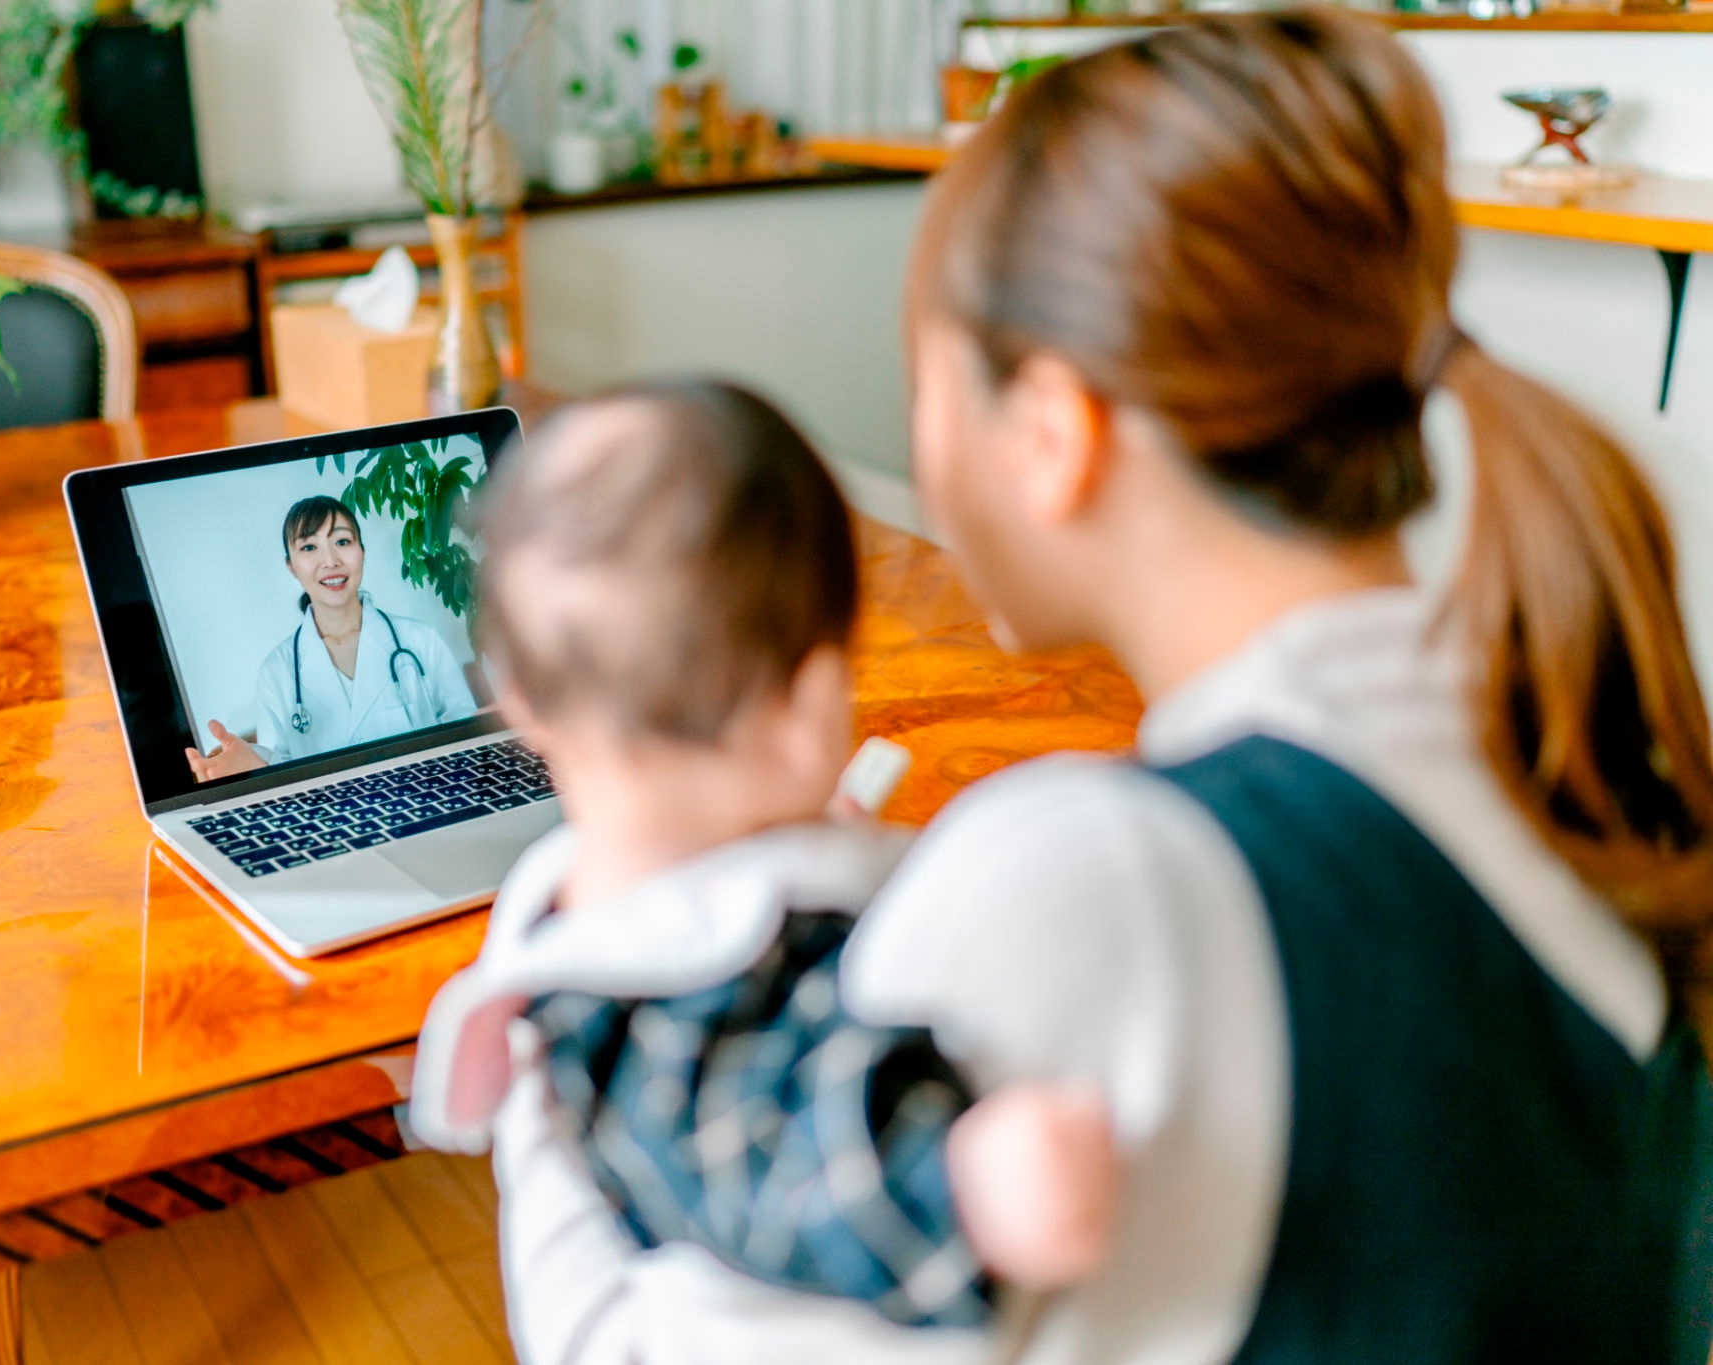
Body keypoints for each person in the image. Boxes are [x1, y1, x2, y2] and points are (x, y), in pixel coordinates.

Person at [458, 13, 1713, 1365]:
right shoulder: (1579, 745)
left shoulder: (1098, 876)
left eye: (928, 384)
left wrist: (556, 989)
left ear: (1052, 437)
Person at [408, 381, 1121, 1365]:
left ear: (520, 695)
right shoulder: (679, 1001)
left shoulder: (551, 912)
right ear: (812, 703)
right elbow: (787, 1163)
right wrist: (975, 1188)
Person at [186, 495, 477, 781]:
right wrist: (257, 771)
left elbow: (469, 736)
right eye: (310, 547)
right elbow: (280, 777)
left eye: (342, 542)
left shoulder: (421, 641)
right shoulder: (276, 672)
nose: (330, 561)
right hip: (337, 822)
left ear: (362, 550)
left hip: (429, 797)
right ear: (291, 566)